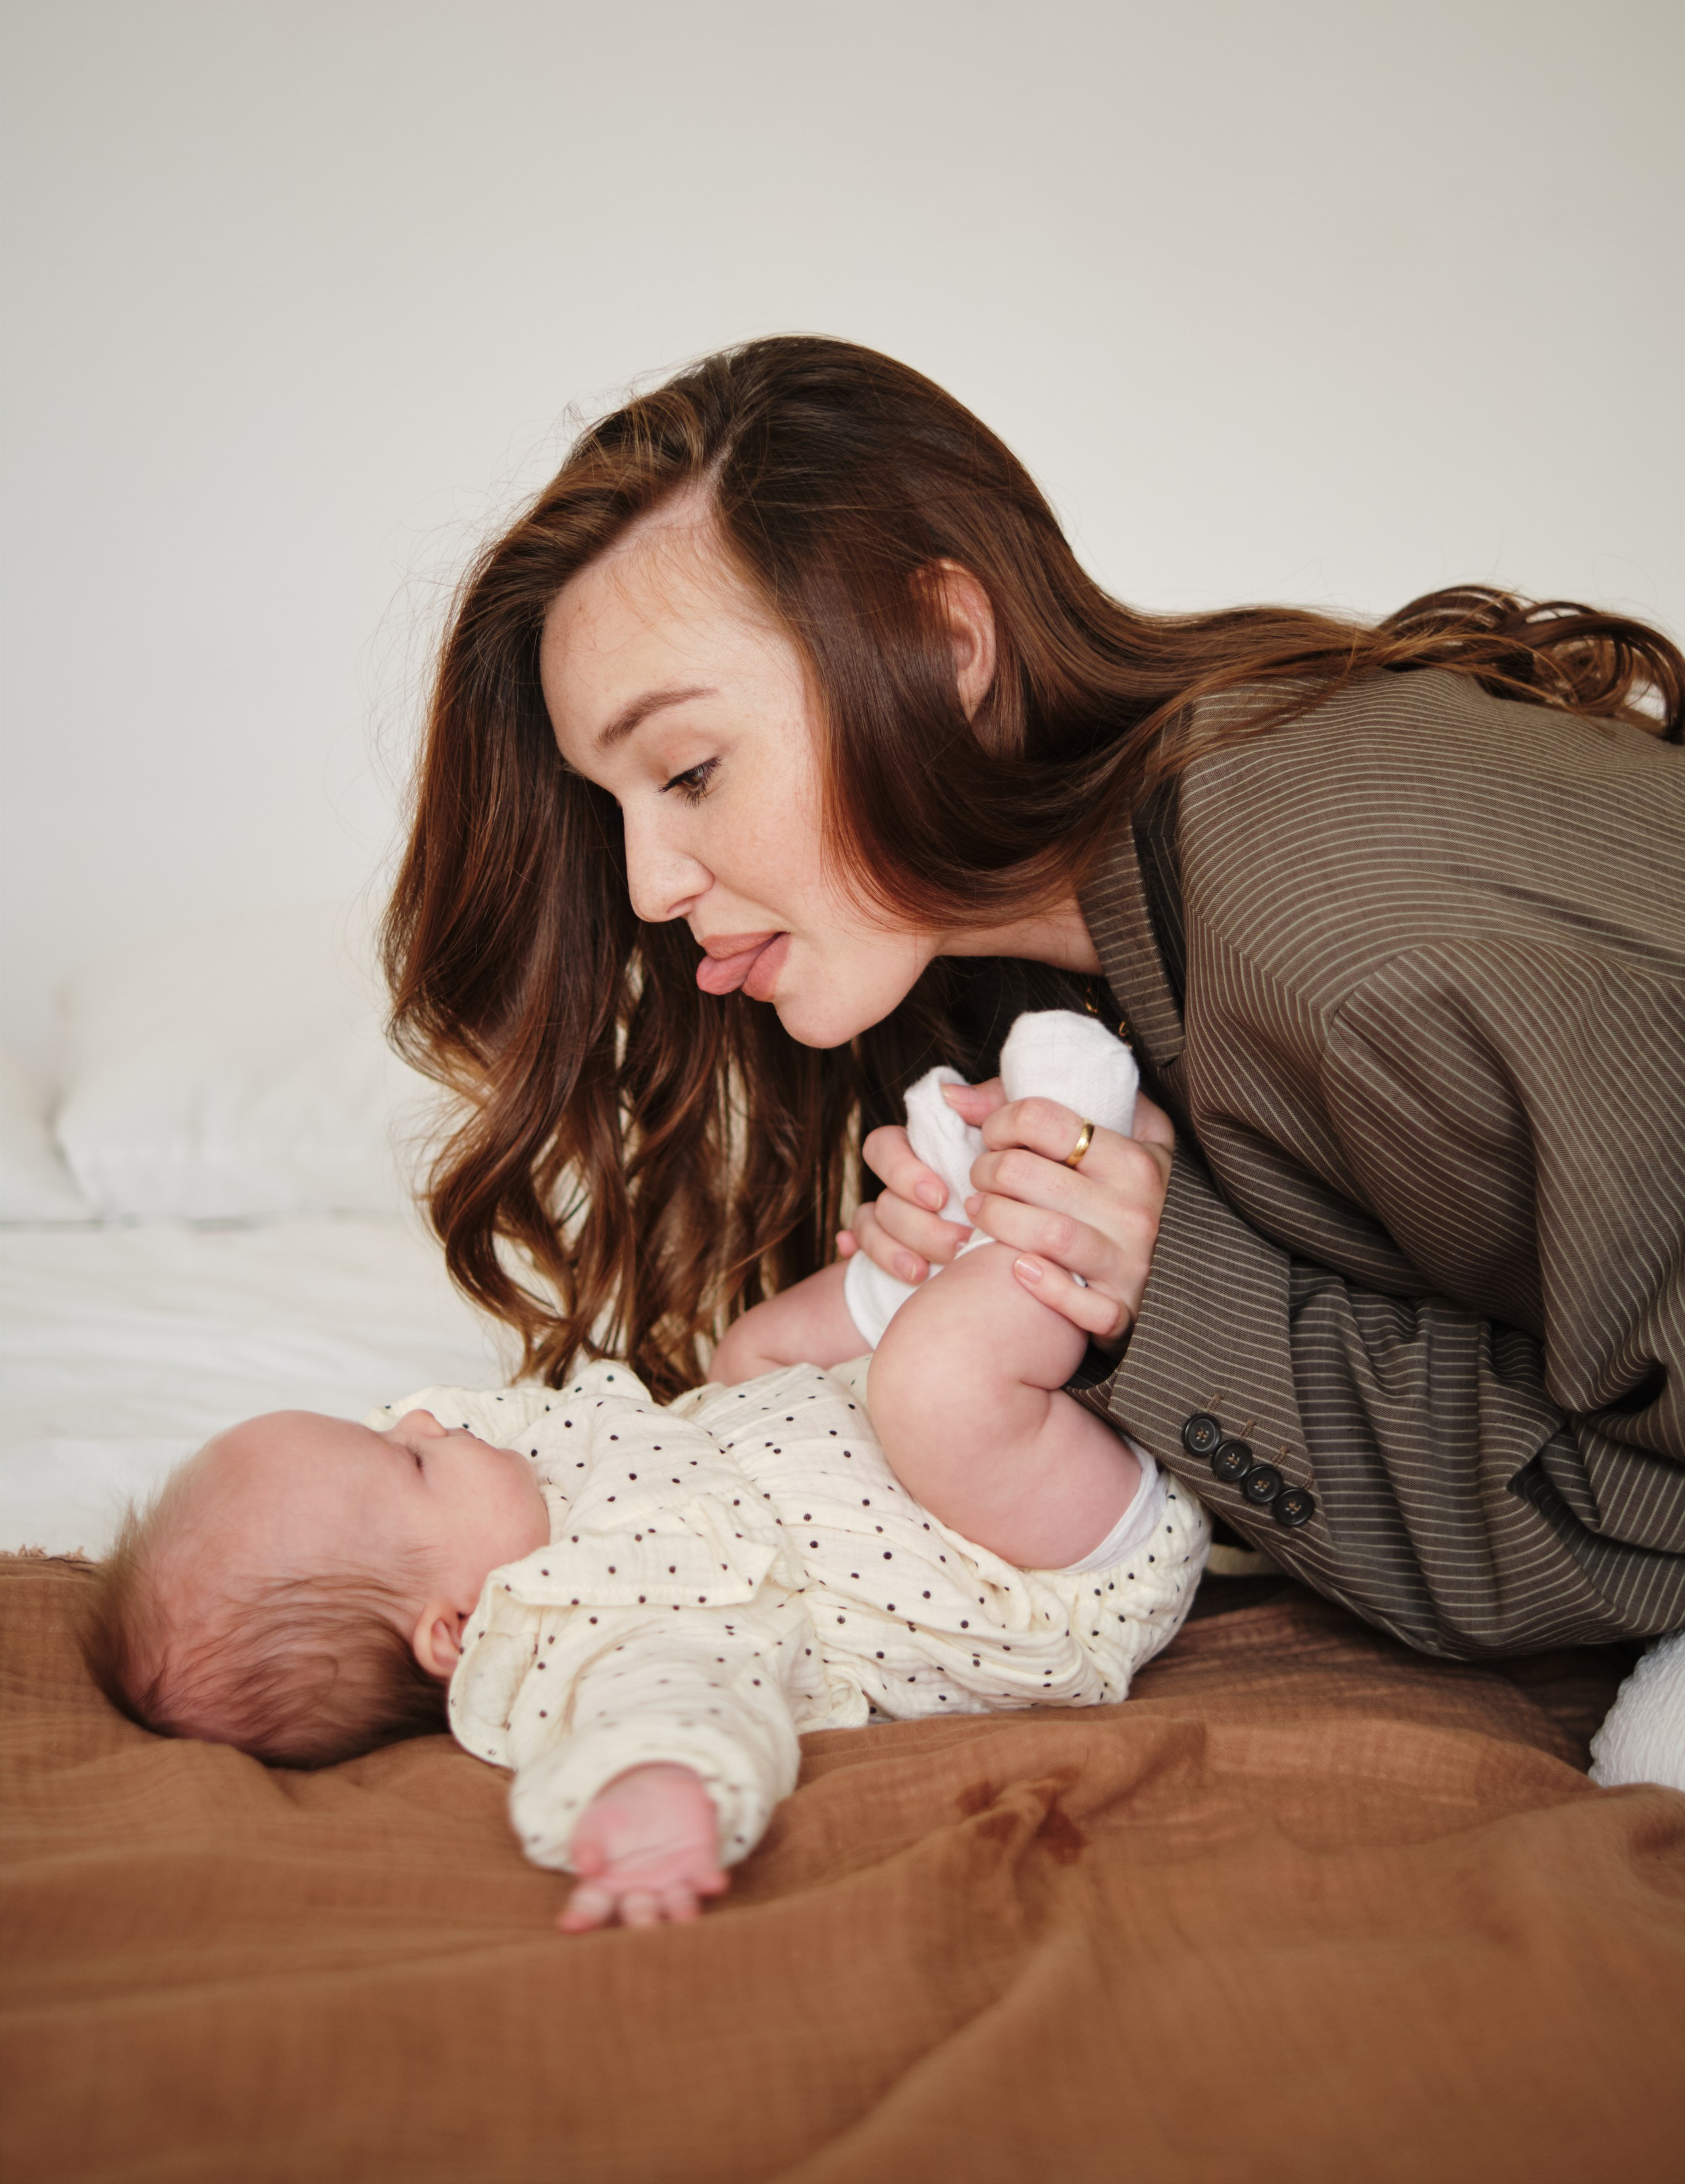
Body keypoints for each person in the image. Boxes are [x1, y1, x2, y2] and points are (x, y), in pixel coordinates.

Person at [384, 336, 1685, 1750]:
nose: (646, 889)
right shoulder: (1039, 975)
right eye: (615, 806)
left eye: (691, 771)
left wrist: (1170, 1288)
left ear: (943, 646)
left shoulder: (1337, 942)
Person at [82, 1057, 1210, 1931]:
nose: (424, 1420)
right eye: (407, 1459)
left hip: (844, 1456)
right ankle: (1047, 1220)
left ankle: (945, 1252)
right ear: (453, 1631)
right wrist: (656, 1794)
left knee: (748, 1352)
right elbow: (679, 1705)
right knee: (933, 1387)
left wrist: (405, 1461)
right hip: (1036, 1568)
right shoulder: (599, 1637)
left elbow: (472, 1427)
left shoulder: (508, 1490)